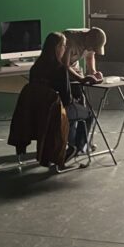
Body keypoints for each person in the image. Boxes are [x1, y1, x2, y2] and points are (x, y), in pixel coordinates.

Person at [29, 32, 94, 161]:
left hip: (39, 111)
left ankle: (68, 145)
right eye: (64, 45)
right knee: (89, 114)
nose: (65, 49)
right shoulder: (60, 69)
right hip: (57, 112)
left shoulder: (35, 67)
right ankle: (77, 147)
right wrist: (76, 99)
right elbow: (66, 100)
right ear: (57, 48)